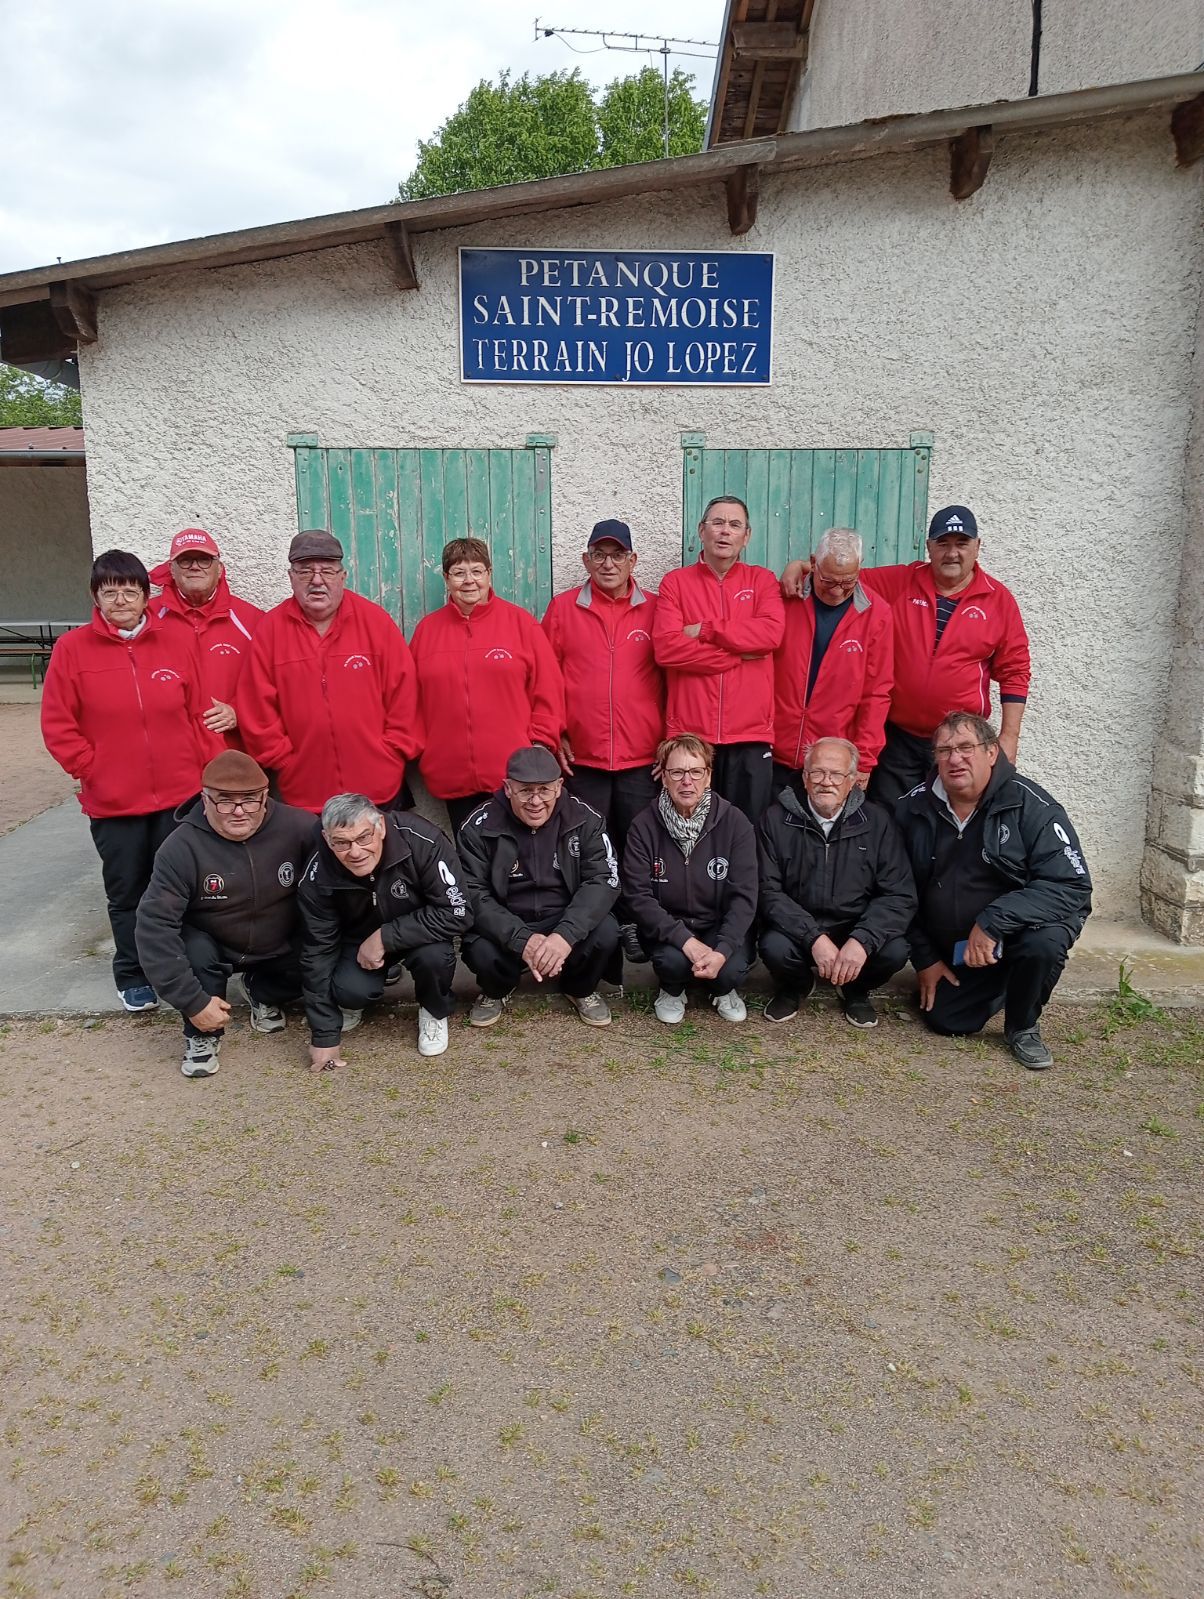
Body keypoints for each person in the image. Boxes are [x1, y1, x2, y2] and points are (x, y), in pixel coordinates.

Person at [41, 549, 210, 1011]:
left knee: (181, 889)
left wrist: (201, 772)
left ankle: (183, 966)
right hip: (114, 802)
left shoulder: (175, 643)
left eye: (129, 590)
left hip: (179, 796)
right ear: (96, 597)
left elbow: (197, 713)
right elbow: (58, 724)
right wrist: (91, 768)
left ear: (145, 596)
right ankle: (134, 973)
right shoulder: (72, 651)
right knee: (128, 892)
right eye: (109, 591)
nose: (120, 599)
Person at [781, 506, 1031, 807]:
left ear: (977, 547)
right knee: (892, 816)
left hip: (960, 741)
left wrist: (1008, 738)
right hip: (899, 737)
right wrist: (799, 566)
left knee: (960, 812)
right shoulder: (900, 581)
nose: (952, 553)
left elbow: (1015, 671)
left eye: (962, 544)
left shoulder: (998, 600)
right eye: (943, 544)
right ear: (929, 547)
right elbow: (841, 576)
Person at [895, 712, 1092, 1070]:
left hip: (1019, 930)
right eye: (945, 750)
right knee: (948, 1021)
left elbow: (1071, 885)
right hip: (955, 947)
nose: (955, 759)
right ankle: (1003, 979)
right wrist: (925, 959)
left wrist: (993, 921)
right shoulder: (909, 809)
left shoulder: (1033, 806)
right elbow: (896, 891)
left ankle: (1023, 1025)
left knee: (1042, 945)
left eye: (966, 747)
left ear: (991, 752)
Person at [135, 751, 317, 1077]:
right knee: (191, 947)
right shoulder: (180, 847)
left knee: (319, 947)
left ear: (265, 797)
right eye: (223, 801)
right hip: (212, 946)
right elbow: (154, 926)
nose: (237, 812)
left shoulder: (301, 828)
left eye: (248, 800)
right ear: (204, 799)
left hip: (278, 940)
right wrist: (191, 1001)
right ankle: (202, 1034)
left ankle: (262, 991)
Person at [541, 518, 664, 966]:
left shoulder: (655, 608)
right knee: (589, 846)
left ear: (633, 561)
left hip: (641, 756)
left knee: (636, 843)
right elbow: (544, 677)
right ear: (586, 560)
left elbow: (673, 677)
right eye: (599, 554)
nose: (608, 563)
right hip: (584, 758)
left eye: (618, 555)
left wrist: (670, 741)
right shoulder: (562, 609)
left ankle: (632, 922)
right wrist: (555, 732)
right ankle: (592, 923)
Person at [237, 530, 421, 813]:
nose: (317, 580)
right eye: (305, 571)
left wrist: (392, 752)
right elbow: (256, 705)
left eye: (327, 571)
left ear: (343, 576)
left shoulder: (375, 623)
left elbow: (405, 695)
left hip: (378, 786)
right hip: (305, 791)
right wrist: (284, 760)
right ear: (290, 577)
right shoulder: (270, 631)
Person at [298, 793, 474, 1069]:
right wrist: (324, 1035)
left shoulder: (423, 840)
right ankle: (353, 1003)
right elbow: (317, 949)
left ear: (380, 826)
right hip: (358, 938)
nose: (354, 852)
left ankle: (433, 1009)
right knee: (349, 991)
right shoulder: (318, 870)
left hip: (421, 931)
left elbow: (458, 911)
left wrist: (385, 936)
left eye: (363, 838)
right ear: (326, 837)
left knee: (435, 959)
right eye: (341, 843)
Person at [410, 538, 566, 836]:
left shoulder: (520, 624)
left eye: (477, 571)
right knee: (471, 863)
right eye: (458, 572)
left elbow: (548, 690)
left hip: (515, 776)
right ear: (446, 579)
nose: (469, 580)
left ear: (489, 574)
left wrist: (539, 746)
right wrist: (424, 749)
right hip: (451, 773)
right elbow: (410, 700)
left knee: (518, 864)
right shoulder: (427, 632)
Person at [757, 737, 916, 1028]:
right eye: (817, 772)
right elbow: (768, 891)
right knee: (773, 946)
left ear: (853, 780)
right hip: (800, 927)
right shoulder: (775, 819)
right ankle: (797, 986)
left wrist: (862, 940)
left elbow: (898, 894)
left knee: (896, 950)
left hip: (855, 926)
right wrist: (813, 938)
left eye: (836, 774)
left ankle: (855, 989)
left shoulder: (878, 822)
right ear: (805, 778)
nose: (825, 782)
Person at [457, 746, 620, 1028]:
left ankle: (579, 988)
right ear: (508, 788)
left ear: (559, 787)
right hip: (508, 919)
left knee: (606, 931)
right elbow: (471, 891)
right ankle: (498, 989)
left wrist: (564, 936)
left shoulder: (586, 819)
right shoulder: (477, 825)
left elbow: (604, 880)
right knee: (478, 948)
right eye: (525, 791)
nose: (535, 801)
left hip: (563, 916)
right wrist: (522, 940)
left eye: (544, 790)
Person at [653, 497, 784, 820]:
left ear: (747, 536)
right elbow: (667, 649)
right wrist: (736, 656)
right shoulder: (676, 583)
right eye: (718, 523)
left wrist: (707, 629)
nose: (725, 532)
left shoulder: (762, 580)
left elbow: (770, 636)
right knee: (688, 830)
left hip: (751, 734)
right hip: (690, 735)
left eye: (735, 525)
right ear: (702, 530)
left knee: (747, 831)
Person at [622, 733, 758, 1025]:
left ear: (708, 776)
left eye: (696, 772)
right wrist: (686, 941)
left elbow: (745, 895)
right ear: (664, 777)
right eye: (677, 772)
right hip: (669, 929)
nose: (687, 781)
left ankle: (723, 989)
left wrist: (722, 950)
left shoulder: (736, 823)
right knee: (671, 964)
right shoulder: (643, 825)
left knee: (730, 970)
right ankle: (672, 990)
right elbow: (638, 896)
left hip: (718, 924)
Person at [771, 528, 894, 792]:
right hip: (772, 747)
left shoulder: (877, 614)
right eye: (828, 582)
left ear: (860, 568)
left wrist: (865, 758)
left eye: (847, 582)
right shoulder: (785, 596)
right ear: (813, 563)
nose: (838, 592)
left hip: (831, 760)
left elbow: (877, 693)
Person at [149, 527, 263, 746]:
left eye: (204, 559)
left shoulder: (252, 620)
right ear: (171, 569)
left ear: (219, 569)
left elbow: (270, 681)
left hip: (230, 757)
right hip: (169, 755)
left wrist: (239, 711)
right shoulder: (147, 620)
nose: (194, 566)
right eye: (185, 560)